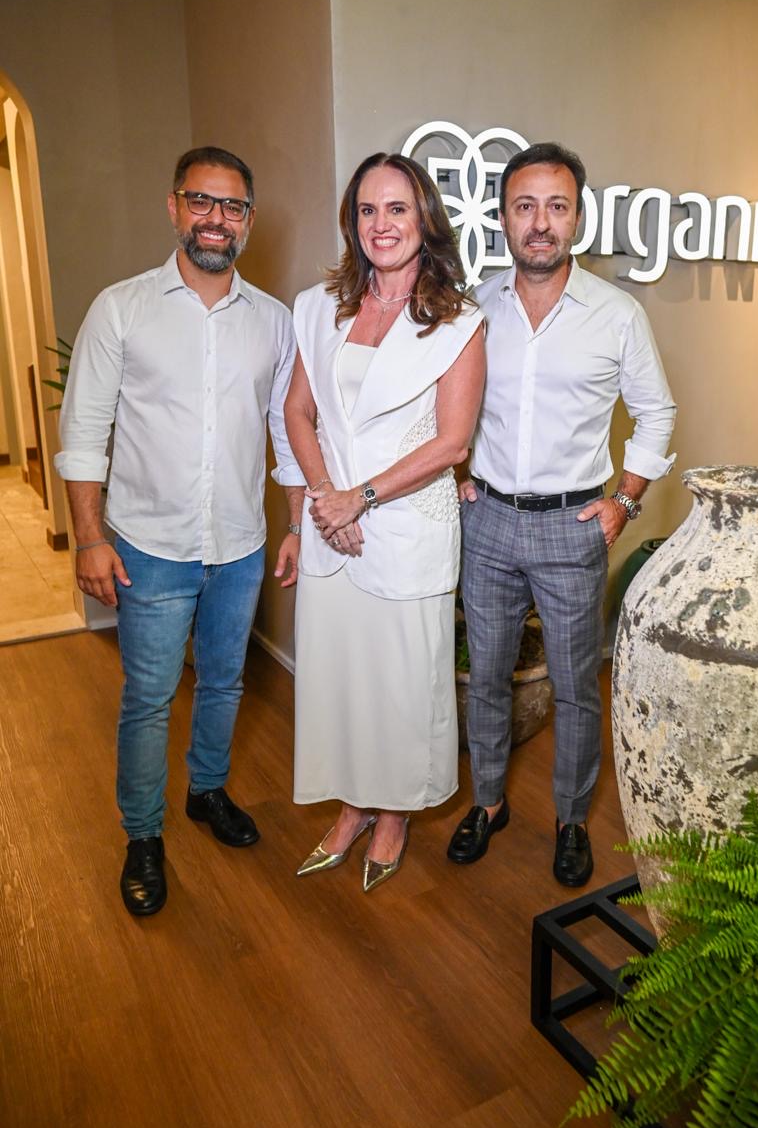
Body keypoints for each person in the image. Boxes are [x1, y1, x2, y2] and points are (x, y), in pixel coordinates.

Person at [55, 145, 305, 917]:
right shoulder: (121, 308)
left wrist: (296, 522)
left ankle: (207, 791)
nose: (215, 219)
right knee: (150, 698)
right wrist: (90, 538)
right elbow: (83, 433)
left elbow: (286, 430)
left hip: (239, 545)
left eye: (232, 206)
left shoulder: (273, 322)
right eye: (201, 200)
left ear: (249, 221)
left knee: (225, 680)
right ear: (174, 207)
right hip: (148, 548)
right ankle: (142, 835)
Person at [447, 142, 676, 887]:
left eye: (556, 206)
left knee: (576, 687)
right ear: (503, 219)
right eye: (525, 206)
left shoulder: (617, 315)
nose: (540, 222)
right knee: (487, 676)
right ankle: (487, 803)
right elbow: (442, 404)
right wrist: (457, 474)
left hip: (574, 527)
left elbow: (657, 413)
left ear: (578, 217)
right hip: (486, 522)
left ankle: (572, 819)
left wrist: (625, 501)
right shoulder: (475, 308)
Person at [281, 152, 485, 892]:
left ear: (425, 218)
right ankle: (351, 805)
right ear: (353, 222)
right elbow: (297, 412)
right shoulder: (319, 307)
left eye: (397, 208)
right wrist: (324, 500)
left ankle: (393, 811)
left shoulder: (458, 321)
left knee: (401, 682)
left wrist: (358, 498)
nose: (381, 224)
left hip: (404, 527)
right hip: (333, 526)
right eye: (367, 210)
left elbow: (452, 443)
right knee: (339, 677)